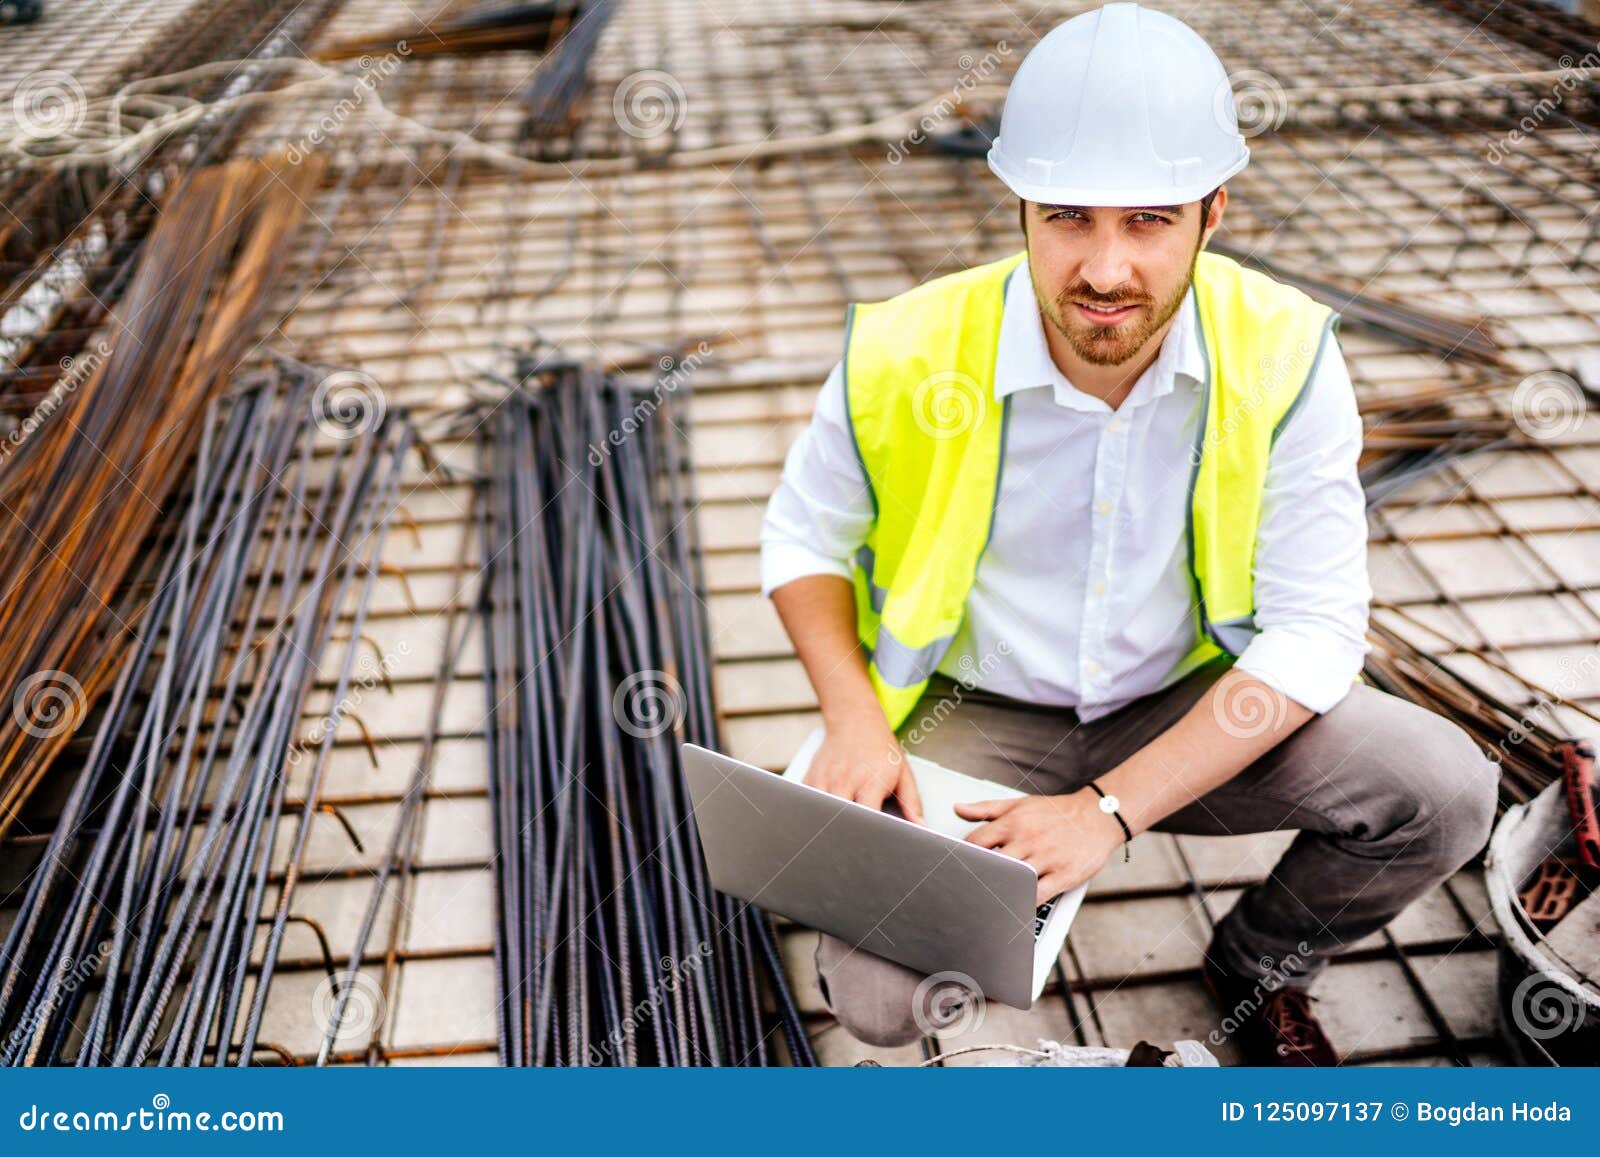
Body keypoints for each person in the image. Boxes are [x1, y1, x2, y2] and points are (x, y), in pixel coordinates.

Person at [758, 2, 1498, 1065]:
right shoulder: (907, 348)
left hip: (1186, 695)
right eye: (1068, 216)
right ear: (1016, 205)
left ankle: (1261, 962)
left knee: (1444, 789)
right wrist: (854, 720)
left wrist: (1105, 812)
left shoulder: (1283, 354)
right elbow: (803, 540)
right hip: (980, 707)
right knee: (877, 998)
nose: (1104, 270)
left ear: (1213, 211)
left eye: (1147, 220)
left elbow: (1318, 629)